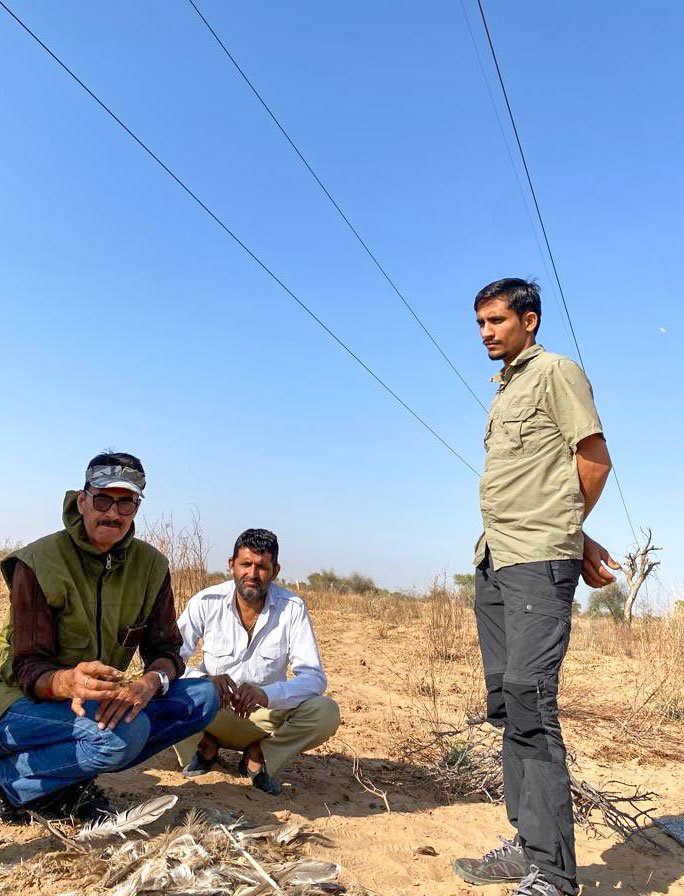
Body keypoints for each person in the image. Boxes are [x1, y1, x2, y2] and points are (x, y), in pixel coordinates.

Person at [452, 280, 620, 896]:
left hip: (535, 561)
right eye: (479, 323)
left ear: (529, 319)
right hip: (495, 559)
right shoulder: (506, 389)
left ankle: (554, 874)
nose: (486, 333)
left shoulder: (557, 373)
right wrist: (576, 533)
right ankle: (526, 845)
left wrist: (570, 536)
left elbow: (593, 460)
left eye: (496, 320)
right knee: (508, 703)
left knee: (532, 699)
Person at [0, 452, 219, 823]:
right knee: (120, 738)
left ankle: (59, 778)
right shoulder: (38, 562)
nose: (113, 513)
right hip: (20, 700)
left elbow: (167, 651)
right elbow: (27, 668)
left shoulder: (151, 567)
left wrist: (150, 682)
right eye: (102, 499)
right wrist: (68, 682)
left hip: (96, 702)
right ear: (82, 500)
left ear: (136, 507)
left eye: (126, 503)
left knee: (203, 696)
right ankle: (13, 782)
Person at [175, 528, 340, 795]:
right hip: (211, 712)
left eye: (262, 567)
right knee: (160, 685)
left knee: (325, 712)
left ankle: (260, 756)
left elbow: (313, 678)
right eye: (245, 564)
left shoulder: (292, 609)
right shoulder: (206, 602)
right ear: (231, 565)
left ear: (275, 570)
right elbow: (170, 658)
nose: (252, 574)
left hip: (263, 718)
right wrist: (205, 682)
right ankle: (203, 748)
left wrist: (266, 695)